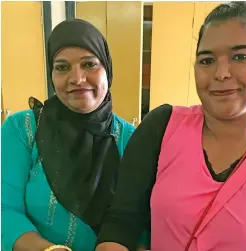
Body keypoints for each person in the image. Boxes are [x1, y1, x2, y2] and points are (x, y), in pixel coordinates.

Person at [95, 2, 246, 251]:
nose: (221, 73)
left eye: (240, 56)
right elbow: (121, 222)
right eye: (207, 60)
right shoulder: (161, 127)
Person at [1, 19, 149, 251]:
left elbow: (143, 223)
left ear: (107, 69)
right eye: (62, 67)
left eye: (89, 64)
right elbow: (4, 209)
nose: (77, 79)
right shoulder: (22, 129)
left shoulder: (132, 140)